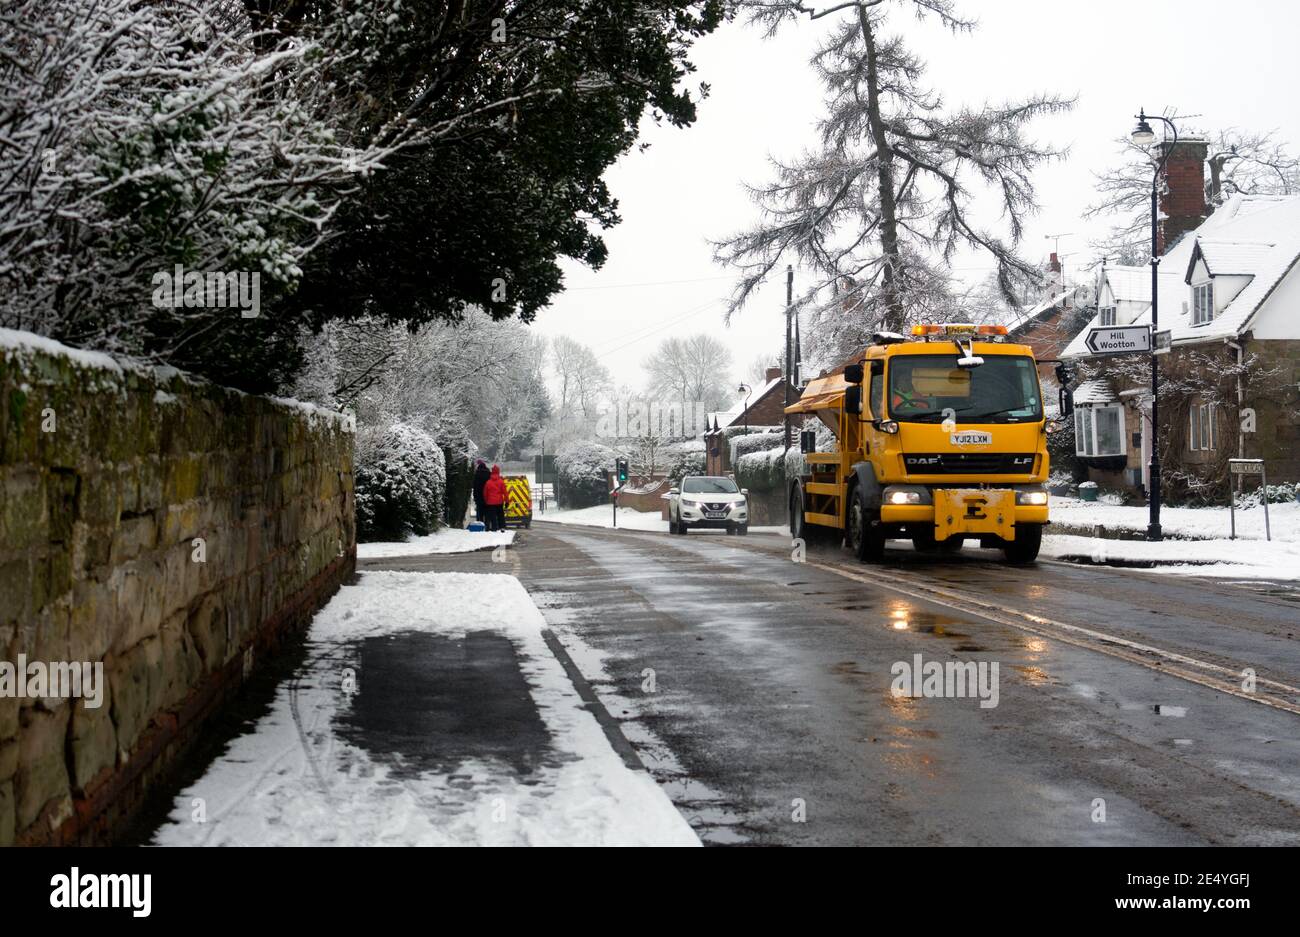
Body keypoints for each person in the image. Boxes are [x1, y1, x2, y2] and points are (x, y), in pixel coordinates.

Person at [483, 464, 507, 531]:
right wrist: (507, 501)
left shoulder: (488, 482)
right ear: (498, 472)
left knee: (492, 516)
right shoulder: (501, 482)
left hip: (490, 502)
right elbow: (505, 492)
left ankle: (494, 528)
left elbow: (485, 493)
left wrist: (486, 500)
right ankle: (502, 527)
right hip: (499, 502)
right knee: (500, 515)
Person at [472, 459, 491, 525]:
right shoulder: (489, 474)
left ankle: (479, 524)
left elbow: (474, 486)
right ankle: (487, 525)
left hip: (478, 496)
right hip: (488, 497)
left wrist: (475, 496)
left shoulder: (476, 474)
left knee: (479, 512)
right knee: (487, 512)